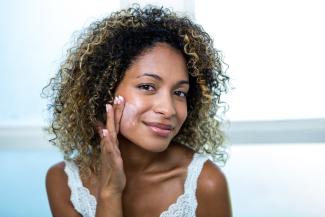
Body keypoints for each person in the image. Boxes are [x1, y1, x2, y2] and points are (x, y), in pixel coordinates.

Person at [44, 5, 232, 217]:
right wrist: (110, 193)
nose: (168, 109)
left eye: (180, 92)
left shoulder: (205, 183)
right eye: (147, 86)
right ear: (105, 90)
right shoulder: (64, 182)